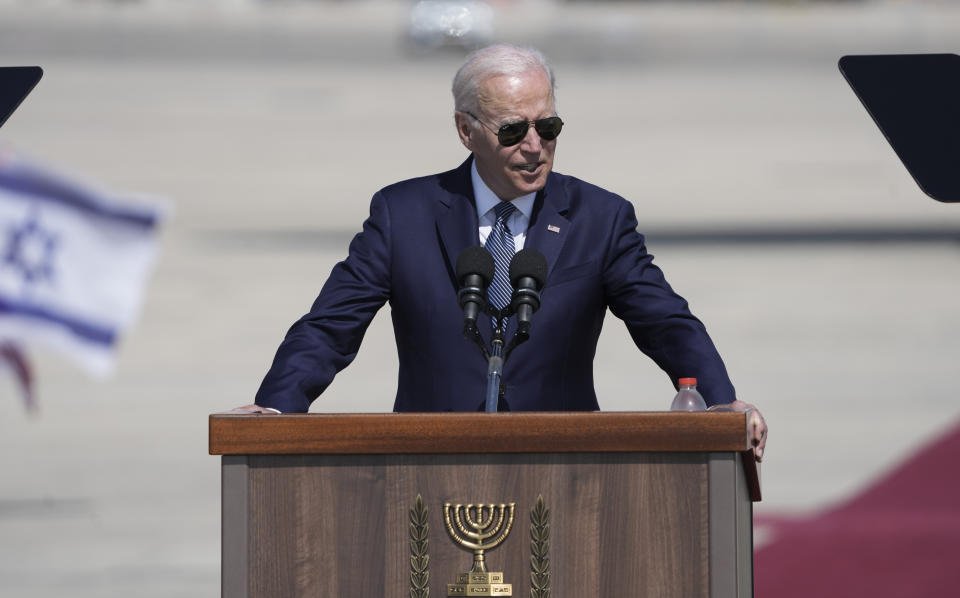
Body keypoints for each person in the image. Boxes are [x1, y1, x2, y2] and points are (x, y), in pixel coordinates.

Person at [234, 44, 767, 461]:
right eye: (513, 130)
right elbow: (331, 326)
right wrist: (277, 408)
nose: (535, 146)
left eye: (548, 126)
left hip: (567, 465)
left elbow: (666, 322)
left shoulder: (600, 217)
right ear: (466, 130)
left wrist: (721, 402)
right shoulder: (405, 214)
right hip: (425, 465)